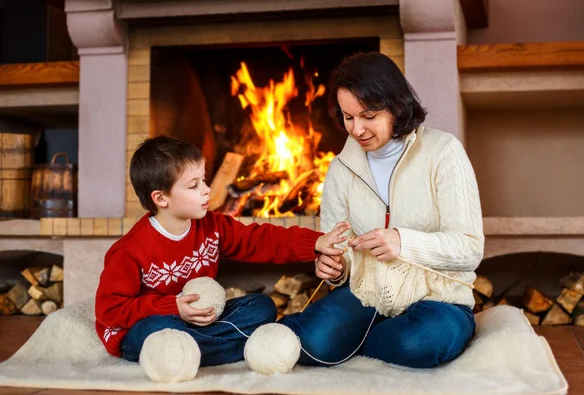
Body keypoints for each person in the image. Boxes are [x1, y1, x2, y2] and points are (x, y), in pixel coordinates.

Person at [280, 52, 484, 368]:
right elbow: (338, 249)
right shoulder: (340, 168)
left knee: (421, 341)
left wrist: (403, 243)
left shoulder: (444, 152)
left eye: (368, 116)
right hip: (367, 296)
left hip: (438, 299)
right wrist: (334, 268)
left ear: (397, 108)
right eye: (348, 117)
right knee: (311, 344)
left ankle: (357, 341)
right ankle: (358, 337)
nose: (357, 129)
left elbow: (470, 248)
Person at [95, 136, 350, 376]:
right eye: (194, 186)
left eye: (204, 180)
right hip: (150, 327)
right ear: (161, 198)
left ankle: (192, 353)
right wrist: (174, 307)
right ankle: (234, 348)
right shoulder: (129, 250)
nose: (206, 190)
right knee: (156, 331)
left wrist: (315, 241)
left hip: (201, 323)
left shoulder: (211, 226)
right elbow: (109, 310)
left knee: (261, 307)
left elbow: (258, 239)